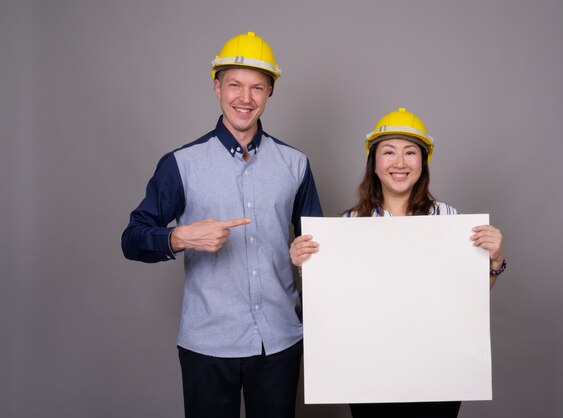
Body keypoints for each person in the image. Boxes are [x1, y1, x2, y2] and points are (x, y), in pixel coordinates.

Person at [122, 32, 323, 418]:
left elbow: (318, 248)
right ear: (217, 87)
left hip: (280, 342)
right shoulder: (181, 164)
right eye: (234, 85)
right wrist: (179, 237)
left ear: (269, 93)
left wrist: (304, 256)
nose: (244, 99)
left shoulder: (295, 164)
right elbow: (131, 238)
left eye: (257, 88)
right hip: (208, 345)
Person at [289, 107, 506, 418]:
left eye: (410, 153)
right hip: (369, 372)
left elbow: (469, 296)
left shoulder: (449, 219)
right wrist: (306, 265)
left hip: (437, 370)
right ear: (374, 164)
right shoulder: (348, 225)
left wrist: (494, 261)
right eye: (389, 152)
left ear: (423, 162)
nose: (400, 163)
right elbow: (332, 302)